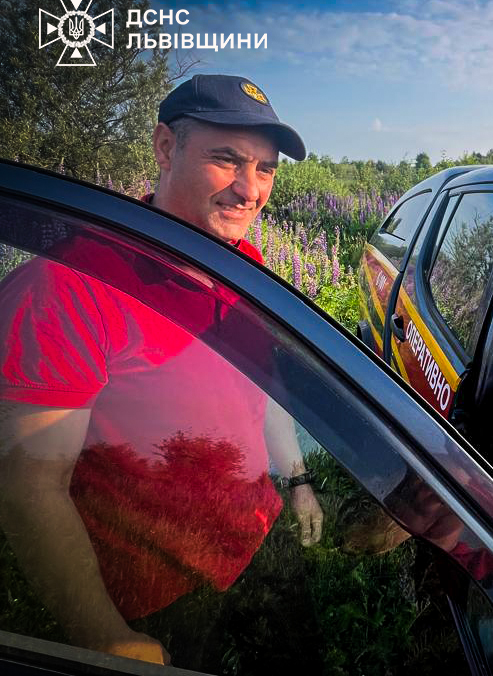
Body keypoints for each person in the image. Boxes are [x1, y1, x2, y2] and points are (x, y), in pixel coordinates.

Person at [0, 75, 322, 665]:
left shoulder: (243, 264)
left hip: (251, 537)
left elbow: (260, 389)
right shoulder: (68, 285)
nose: (250, 189)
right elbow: (29, 485)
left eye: (266, 169)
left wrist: (298, 481)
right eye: (227, 160)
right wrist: (104, 636)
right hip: (152, 593)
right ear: (166, 147)